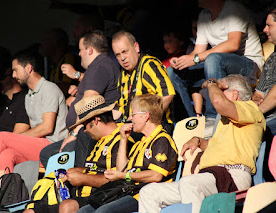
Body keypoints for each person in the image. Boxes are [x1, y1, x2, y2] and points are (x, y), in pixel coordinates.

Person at [139, 74, 266, 213]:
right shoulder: (226, 121)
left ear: (235, 95)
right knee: (148, 192)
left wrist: (212, 83)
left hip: (232, 174)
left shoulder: (250, 108)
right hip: (211, 177)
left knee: (190, 183)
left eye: (222, 91)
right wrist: (198, 141)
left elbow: (219, 102)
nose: (217, 95)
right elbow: (214, 145)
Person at [24, 95, 133, 213]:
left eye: (85, 125)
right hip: (79, 196)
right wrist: (74, 172)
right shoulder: (99, 141)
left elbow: (118, 178)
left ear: (95, 120)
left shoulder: (122, 140)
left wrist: (83, 178)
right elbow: (95, 169)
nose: (84, 130)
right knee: (31, 210)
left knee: (67, 207)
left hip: (101, 198)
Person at [169, 0, 264, 133]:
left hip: (248, 65)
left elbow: (233, 44)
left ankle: (213, 117)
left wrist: (195, 58)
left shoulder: (234, 9)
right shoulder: (203, 16)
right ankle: (190, 120)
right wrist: (182, 61)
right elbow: (198, 52)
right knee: (173, 72)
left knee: (213, 59)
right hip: (217, 65)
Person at [77, 94, 178, 213]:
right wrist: (123, 139)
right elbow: (122, 170)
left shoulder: (162, 140)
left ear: (145, 116)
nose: (130, 118)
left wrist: (124, 176)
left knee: (104, 212)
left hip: (145, 194)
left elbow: (156, 176)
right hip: (128, 191)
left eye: (133, 114)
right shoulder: (140, 143)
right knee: (84, 211)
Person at [39, 31, 120, 169]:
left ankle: (74, 189)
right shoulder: (98, 66)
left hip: (89, 131)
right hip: (86, 129)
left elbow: (88, 103)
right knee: (47, 154)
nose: (79, 54)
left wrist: (74, 133)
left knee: (60, 157)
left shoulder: (99, 66)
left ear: (90, 50)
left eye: (81, 50)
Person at [0, 50, 68, 172]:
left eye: (15, 70)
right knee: (7, 154)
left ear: (29, 68)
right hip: (39, 145)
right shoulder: (28, 96)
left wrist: (13, 139)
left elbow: (47, 127)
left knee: (1, 138)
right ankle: (3, 189)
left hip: (55, 147)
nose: (13, 75)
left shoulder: (49, 88)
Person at [111, 31, 175, 134]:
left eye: (125, 52)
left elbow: (168, 95)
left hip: (156, 125)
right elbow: (121, 109)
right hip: (132, 126)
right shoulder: (122, 75)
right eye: (118, 55)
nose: (122, 58)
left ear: (136, 47)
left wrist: (145, 118)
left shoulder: (149, 65)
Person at [162, 28, 204, 117]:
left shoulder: (185, 57)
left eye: (170, 41)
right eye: (165, 42)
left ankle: (191, 116)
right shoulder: (165, 61)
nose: (167, 45)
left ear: (180, 42)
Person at [252, 7, 276, 136]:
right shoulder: (272, 58)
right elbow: (259, 92)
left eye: (269, 25)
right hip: (265, 115)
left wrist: (255, 113)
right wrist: (255, 100)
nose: (264, 30)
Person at [41, 28, 79, 97]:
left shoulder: (68, 59)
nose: (42, 45)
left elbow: (66, 88)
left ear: (55, 42)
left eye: (44, 40)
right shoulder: (53, 65)